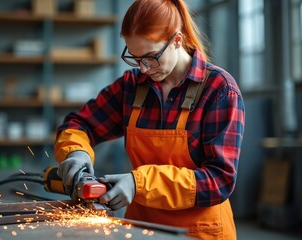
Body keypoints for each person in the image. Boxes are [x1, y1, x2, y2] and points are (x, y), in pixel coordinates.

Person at [54, 0, 245, 239]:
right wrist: (76, 152)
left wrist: (139, 184)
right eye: (135, 58)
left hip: (200, 232)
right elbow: (77, 124)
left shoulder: (219, 90)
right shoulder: (132, 86)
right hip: (140, 230)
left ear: (177, 40)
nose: (143, 69)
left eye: (151, 57)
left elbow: (219, 181)